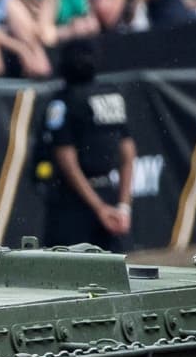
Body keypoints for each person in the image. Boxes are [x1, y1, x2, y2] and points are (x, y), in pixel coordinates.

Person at [37, 44, 137, 251]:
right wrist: (123, 207)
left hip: (72, 202)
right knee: (111, 270)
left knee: (63, 270)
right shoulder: (112, 95)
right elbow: (128, 153)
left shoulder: (63, 102)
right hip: (108, 193)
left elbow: (67, 160)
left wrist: (100, 208)